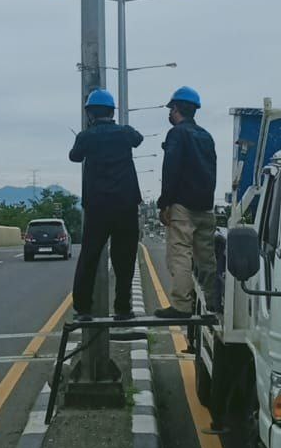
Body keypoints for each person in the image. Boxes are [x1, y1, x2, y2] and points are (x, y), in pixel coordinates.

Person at [69, 89, 143, 321]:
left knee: (89, 256)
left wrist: (89, 133)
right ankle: (123, 308)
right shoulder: (124, 133)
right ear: (112, 112)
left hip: (98, 205)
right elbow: (138, 139)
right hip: (126, 204)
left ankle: (83, 309)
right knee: (125, 258)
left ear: (90, 114)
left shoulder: (85, 137)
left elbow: (74, 156)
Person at [153, 86, 218, 320]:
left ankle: (181, 305)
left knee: (180, 253)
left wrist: (164, 203)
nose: (170, 112)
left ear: (177, 108)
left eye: (171, 108)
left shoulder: (177, 134)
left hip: (183, 205)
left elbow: (171, 169)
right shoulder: (206, 136)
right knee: (206, 258)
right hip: (206, 206)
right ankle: (211, 303)